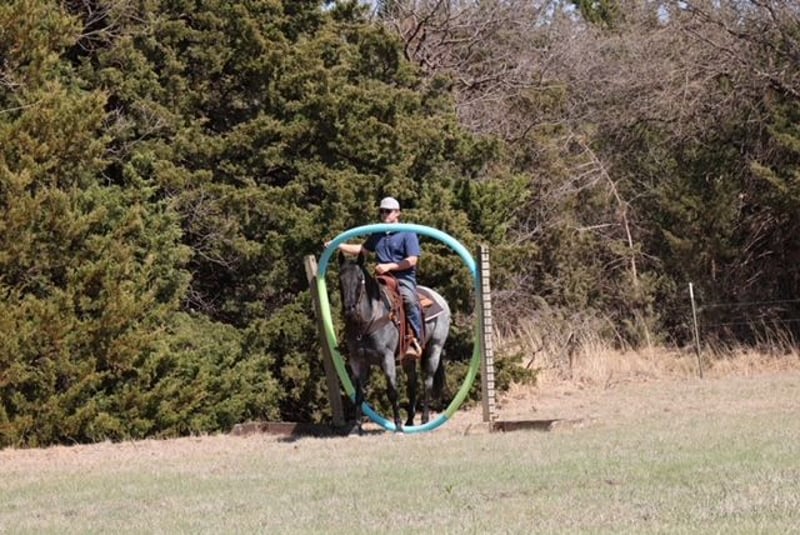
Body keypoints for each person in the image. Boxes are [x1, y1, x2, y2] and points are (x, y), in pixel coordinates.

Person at [327, 197, 423, 358]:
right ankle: (351, 338)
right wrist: (338, 244)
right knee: (358, 298)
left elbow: (413, 260)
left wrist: (389, 266)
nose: (384, 214)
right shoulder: (378, 233)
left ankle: (414, 338)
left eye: (388, 211)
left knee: (409, 300)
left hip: (402, 278)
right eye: (382, 211)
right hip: (382, 278)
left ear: (397, 213)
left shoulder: (408, 232)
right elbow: (362, 249)